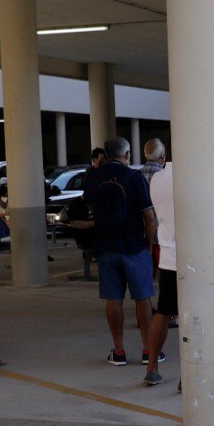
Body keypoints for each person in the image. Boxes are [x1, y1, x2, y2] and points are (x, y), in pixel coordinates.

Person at [91, 137, 157, 367]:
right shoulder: (134, 177)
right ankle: (148, 350)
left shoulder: (94, 177)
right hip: (133, 247)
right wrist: (148, 248)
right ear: (127, 155)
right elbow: (149, 218)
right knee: (142, 298)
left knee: (113, 299)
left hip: (105, 248)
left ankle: (118, 351)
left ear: (106, 155)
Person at [144, 151, 177, 387]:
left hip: (168, 254)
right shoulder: (196, 177)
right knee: (193, 317)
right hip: (194, 257)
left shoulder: (158, 178)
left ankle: (152, 367)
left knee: (163, 311)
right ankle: (190, 375)